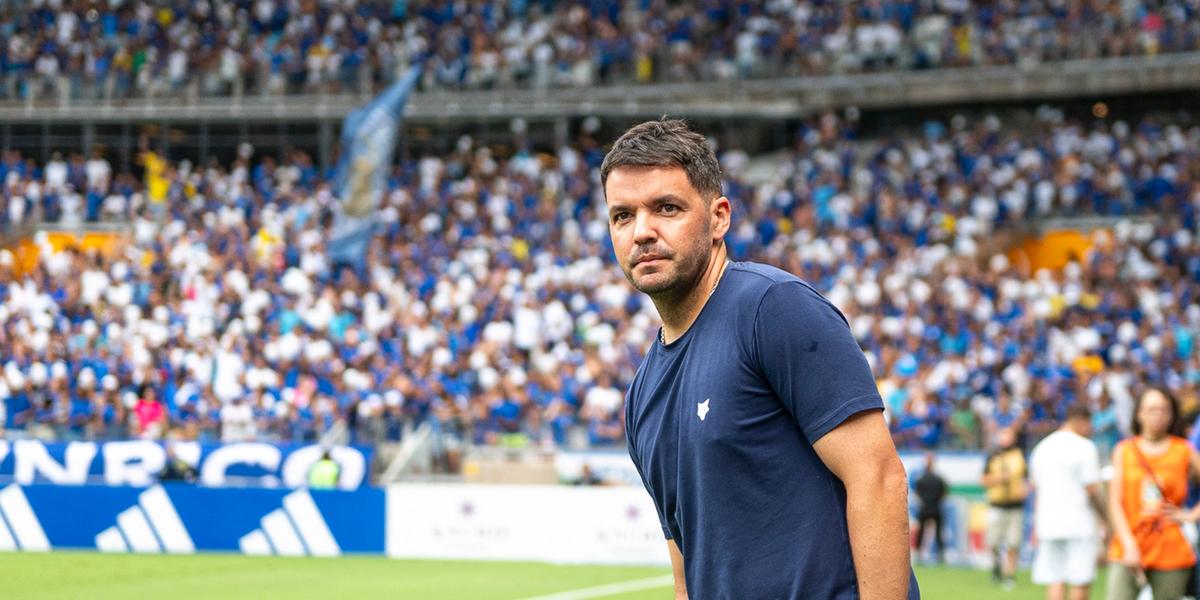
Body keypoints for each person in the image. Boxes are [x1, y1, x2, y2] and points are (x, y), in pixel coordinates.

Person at [606, 119, 918, 599]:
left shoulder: (773, 308)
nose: (642, 232)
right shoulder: (641, 396)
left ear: (719, 218)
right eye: (623, 216)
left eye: (666, 208)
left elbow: (877, 478)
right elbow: (686, 570)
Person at [1107, 387, 1200, 600]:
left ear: (1172, 414)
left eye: (1163, 409)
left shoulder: (1183, 450)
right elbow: (1115, 503)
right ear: (1139, 413)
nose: (1157, 414)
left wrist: (1190, 515)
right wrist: (1128, 544)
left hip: (1170, 546)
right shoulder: (1124, 450)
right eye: (1151, 409)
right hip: (1129, 541)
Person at [1028, 404, 1107, 600]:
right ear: (1081, 420)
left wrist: (1037, 525)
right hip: (1079, 522)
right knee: (1080, 579)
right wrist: (1106, 518)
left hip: (1048, 522)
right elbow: (1092, 489)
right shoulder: (1084, 447)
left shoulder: (1041, 448)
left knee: (1055, 579)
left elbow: (1036, 490)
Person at [982, 426, 1027, 589]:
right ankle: (996, 567)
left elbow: (1026, 478)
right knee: (993, 542)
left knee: (1013, 542)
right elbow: (983, 480)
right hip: (997, 504)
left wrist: (1025, 489)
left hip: (1015, 505)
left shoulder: (1019, 455)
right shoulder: (993, 456)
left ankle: (1010, 575)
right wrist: (999, 479)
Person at [914, 452, 949, 564]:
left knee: (922, 532)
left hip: (924, 508)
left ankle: (919, 554)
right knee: (938, 532)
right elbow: (944, 493)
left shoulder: (920, 479)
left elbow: (917, 494)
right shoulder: (939, 479)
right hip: (935, 508)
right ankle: (941, 555)